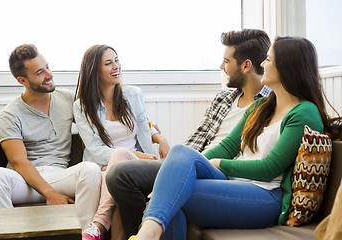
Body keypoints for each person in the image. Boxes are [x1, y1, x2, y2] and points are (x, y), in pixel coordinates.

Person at [128, 36, 331, 240]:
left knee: (175, 196)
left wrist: (220, 165)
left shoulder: (304, 112)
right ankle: (149, 234)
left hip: (266, 195)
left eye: (268, 60)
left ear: (286, 67)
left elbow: (270, 168)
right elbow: (227, 147)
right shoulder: (262, 107)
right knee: (180, 154)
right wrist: (172, 182)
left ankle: (146, 234)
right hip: (235, 183)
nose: (262, 64)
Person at [106, 29, 272, 237]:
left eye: (226, 61)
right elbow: (197, 139)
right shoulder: (224, 98)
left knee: (170, 192)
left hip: (223, 175)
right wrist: (173, 172)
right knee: (119, 174)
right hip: (195, 163)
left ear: (246, 65)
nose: (222, 67)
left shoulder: (269, 105)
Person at [0, 44, 102, 230]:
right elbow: (18, 162)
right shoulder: (9, 114)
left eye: (47, 67)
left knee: (90, 170)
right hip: (25, 182)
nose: (49, 75)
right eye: (40, 72)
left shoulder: (67, 98)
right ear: (22, 80)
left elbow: (99, 122)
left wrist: (149, 130)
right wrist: (50, 193)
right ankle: (7, 233)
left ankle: (87, 234)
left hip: (60, 175)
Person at [73, 45, 170, 240]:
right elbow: (96, 149)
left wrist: (160, 139)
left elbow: (144, 125)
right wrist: (139, 156)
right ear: (93, 71)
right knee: (118, 165)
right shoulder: (82, 106)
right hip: (103, 165)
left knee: (120, 173)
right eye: (108, 63)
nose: (116, 66)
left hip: (135, 164)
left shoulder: (133, 94)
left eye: (117, 60)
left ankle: (99, 224)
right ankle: (102, 223)